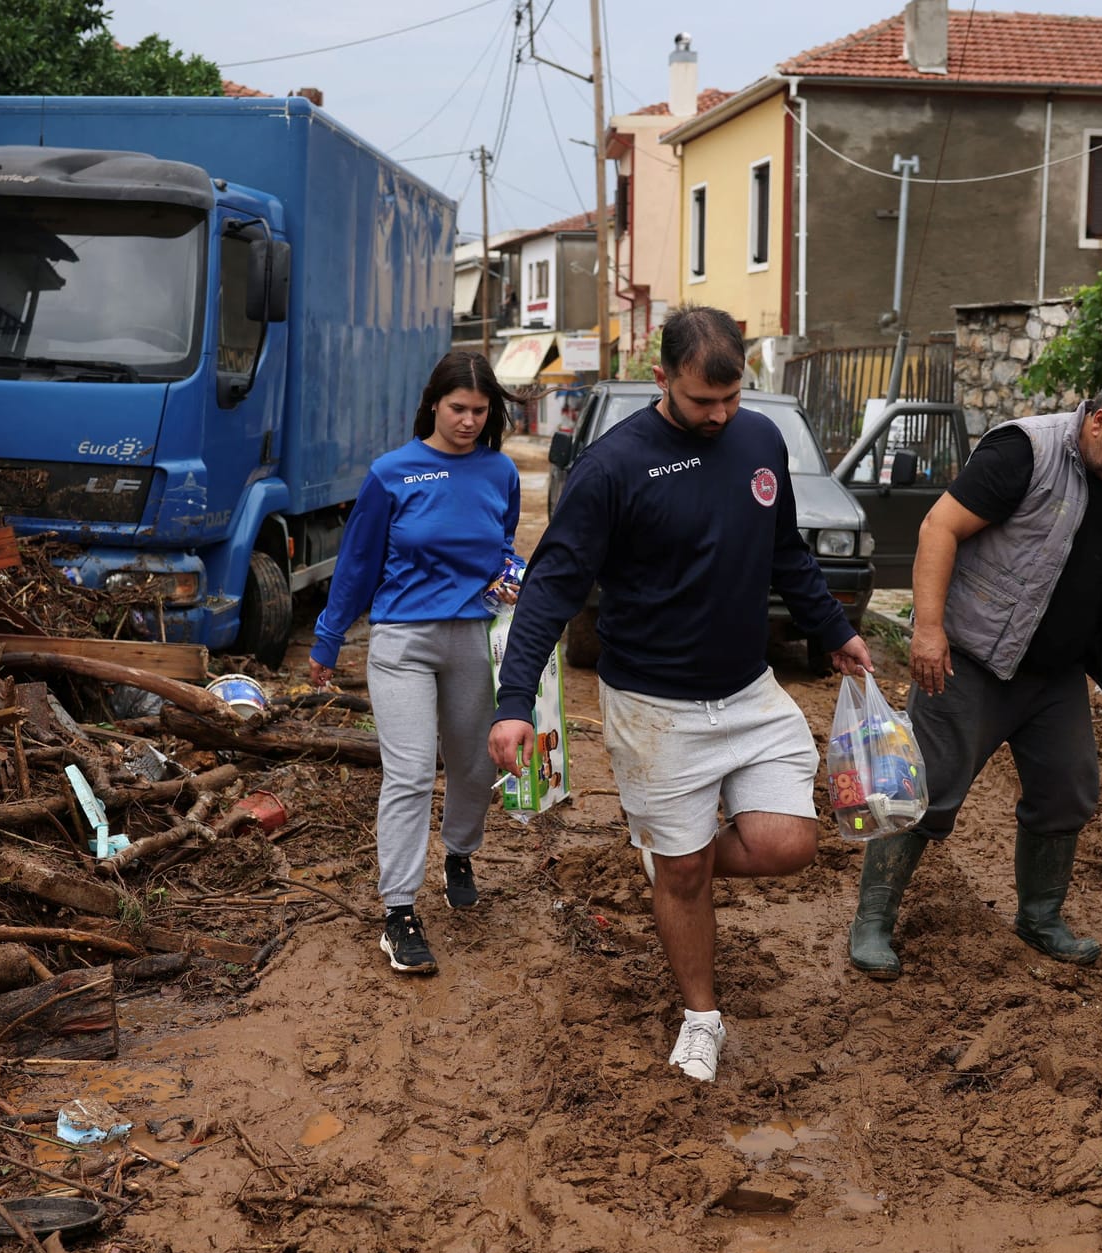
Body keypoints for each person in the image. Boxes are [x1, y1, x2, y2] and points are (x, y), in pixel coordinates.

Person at [488, 305, 871, 1084]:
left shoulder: (760, 441)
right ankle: (702, 1017)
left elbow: (787, 554)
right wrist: (513, 702)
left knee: (789, 844)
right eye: (703, 402)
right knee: (689, 874)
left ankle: (671, 863)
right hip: (655, 710)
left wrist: (833, 630)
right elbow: (551, 590)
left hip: (749, 692)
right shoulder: (611, 469)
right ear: (660, 379)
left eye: (732, 399)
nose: (721, 416)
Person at [847, 368, 1102, 979]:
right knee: (923, 792)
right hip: (969, 660)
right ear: (1099, 420)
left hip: (1054, 676)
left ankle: (1040, 917)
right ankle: (872, 922)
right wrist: (927, 629)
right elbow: (938, 527)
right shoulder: (1024, 450)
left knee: (1068, 792)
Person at [310, 351, 526, 976]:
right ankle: (398, 911)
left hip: (472, 640)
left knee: (470, 763)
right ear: (434, 403)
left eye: (480, 411)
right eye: (458, 408)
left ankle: (459, 851)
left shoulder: (500, 472)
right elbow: (357, 564)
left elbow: (503, 546)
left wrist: (511, 581)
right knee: (406, 773)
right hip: (402, 640)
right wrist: (327, 640)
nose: (468, 421)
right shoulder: (392, 474)